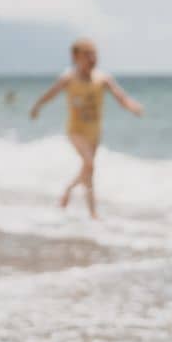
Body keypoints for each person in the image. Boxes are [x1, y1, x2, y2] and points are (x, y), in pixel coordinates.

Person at [29, 39, 143, 218]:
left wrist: (132, 106)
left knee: (89, 170)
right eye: (87, 55)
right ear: (75, 57)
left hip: (94, 131)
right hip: (76, 130)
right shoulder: (69, 78)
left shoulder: (102, 78)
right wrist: (37, 106)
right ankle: (90, 210)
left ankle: (81, 202)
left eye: (94, 54)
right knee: (89, 164)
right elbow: (51, 94)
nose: (92, 59)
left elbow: (120, 96)